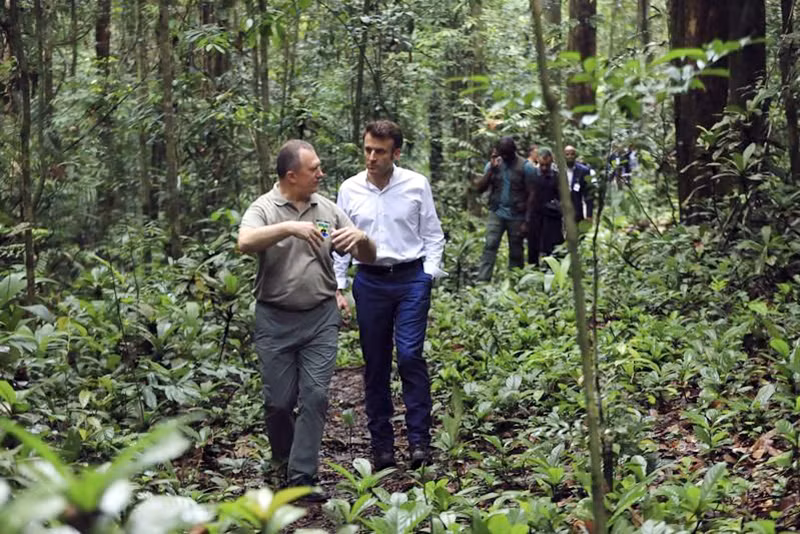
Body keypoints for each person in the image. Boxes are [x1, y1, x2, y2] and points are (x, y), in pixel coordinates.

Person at [238, 140, 376, 500]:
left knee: (314, 396)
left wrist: (362, 239)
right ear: (291, 175)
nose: (321, 173)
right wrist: (290, 228)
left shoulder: (327, 209)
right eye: (314, 168)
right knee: (279, 403)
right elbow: (245, 240)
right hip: (275, 320)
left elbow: (368, 255)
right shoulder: (265, 208)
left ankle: (302, 477)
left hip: (320, 318)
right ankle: (283, 461)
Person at [334, 120, 445, 471]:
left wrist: (429, 274)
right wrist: (338, 286)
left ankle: (419, 444)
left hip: (411, 278)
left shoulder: (415, 184)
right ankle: (382, 446)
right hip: (370, 281)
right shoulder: (349, 189)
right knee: (376, 364)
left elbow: (433, 234)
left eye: (379, 151)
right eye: (367, 149)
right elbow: (340, 242)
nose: (371, 157)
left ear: (396, 153)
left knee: (411, 356)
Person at [473, 137, 536, 281]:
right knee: (490, 245)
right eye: (503, 154)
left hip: (517, 215)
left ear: (514, 151)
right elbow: (480, 188)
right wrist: (491, 171)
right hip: (497, 211)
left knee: (516, 250)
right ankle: (483, 281)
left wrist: (527, 221)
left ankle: (515, 283)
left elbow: (532, 195)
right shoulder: (494, 165)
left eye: (508, 154)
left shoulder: (526, 167)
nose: (505, 157)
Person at [527, 148, 564, 265]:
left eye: (546, 166)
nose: (544, 168)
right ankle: (533, 269)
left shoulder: (557, 177)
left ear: (551, 162)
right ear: (538, 161)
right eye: (542, 165)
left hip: (552, 216)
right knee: (534, 244)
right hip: (535, 215)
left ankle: (553, 269)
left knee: (553, 245)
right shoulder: (533, 175)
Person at [564, 145, 594, 224]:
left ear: (575, 155)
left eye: (572, 154)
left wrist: (589, 215)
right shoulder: (558, 170)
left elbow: (589, 194)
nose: (570, 156)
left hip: (577, 210)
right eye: (567, 154)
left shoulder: (583, 171)